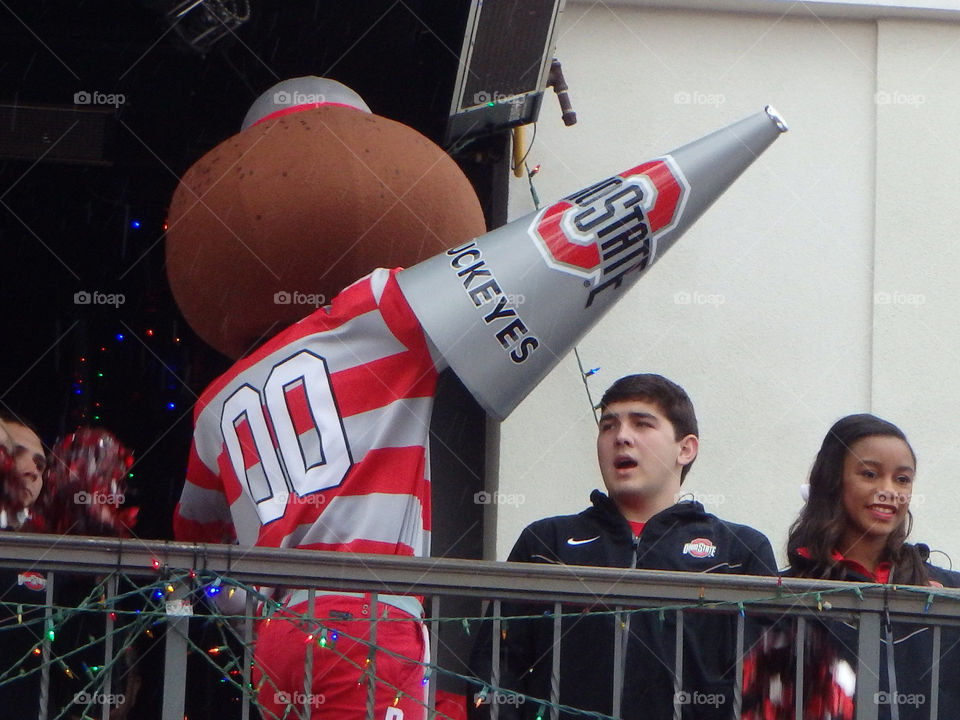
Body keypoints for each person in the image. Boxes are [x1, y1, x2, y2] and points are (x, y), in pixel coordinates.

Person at [470, 374, 777, 720]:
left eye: (642, 424)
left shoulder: (739, 551)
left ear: (686, 448)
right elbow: (495, 668)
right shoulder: (545, 542)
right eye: (608, 426)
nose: (622, 437)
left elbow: (763, 683)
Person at [743, 413, 960, 720]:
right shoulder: (782, 596)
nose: (888, 490)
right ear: (833, 481)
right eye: (870, 474)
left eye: (902, 479)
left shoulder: (947, 590)